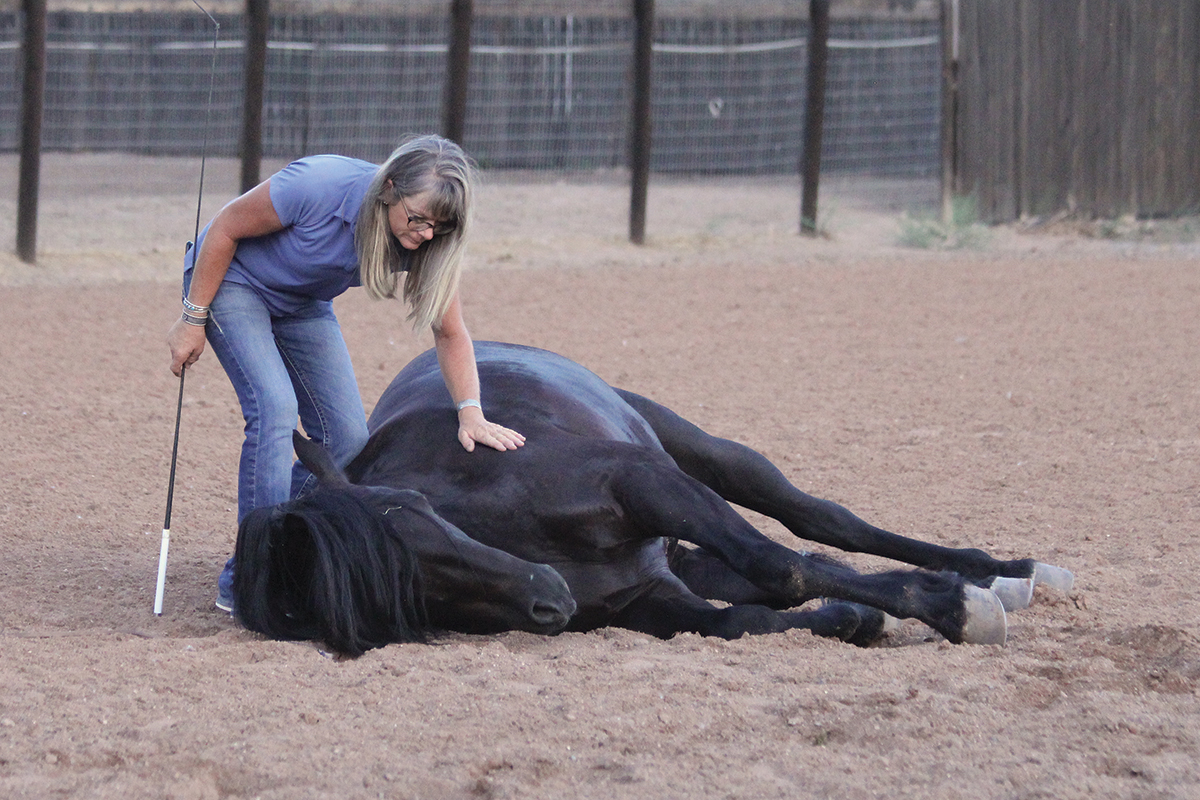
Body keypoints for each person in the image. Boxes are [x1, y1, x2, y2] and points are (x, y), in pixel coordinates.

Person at [166, 134, 525, 613]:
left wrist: (471, 413)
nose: (423, 235)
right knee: (274, 409)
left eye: (438, 227)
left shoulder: (426, 243)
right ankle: (251, 576)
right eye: (416, 218)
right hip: (233, 282)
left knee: (348, 437)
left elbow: (450, 332)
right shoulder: (318, 185)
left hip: (304, 303)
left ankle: (286, 542)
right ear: (389, 189)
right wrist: (192, 318)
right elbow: (226, 228)